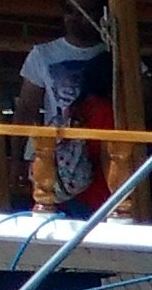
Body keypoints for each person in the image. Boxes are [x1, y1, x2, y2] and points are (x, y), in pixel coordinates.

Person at [16, 12, 111, 212]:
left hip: (63, 184)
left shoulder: (76, 109)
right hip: (97, 195)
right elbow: (107, 158)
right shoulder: (104, 112)